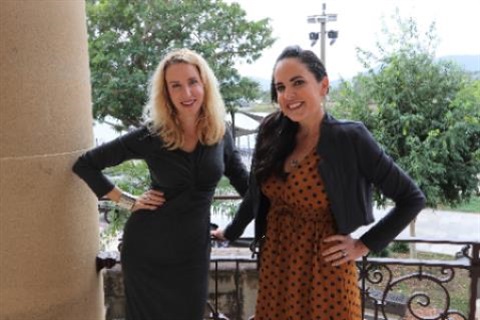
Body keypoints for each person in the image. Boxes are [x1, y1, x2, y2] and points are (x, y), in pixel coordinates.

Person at [212, 45, 426, 319]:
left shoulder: (350, 138)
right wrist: (230, 232)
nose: (288, 95)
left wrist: (363, 245)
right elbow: (257, 194)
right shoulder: (271, 130)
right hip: (276, 262)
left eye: (298, 82)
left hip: (325, 268)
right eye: (280, 87)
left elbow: (411, 198)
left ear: (323, 85)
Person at [73, 48, 249, 320]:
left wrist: (234, 228)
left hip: (192, 254)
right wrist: (129, 201)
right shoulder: (153, 135)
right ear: (166, 92)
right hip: (148, 251)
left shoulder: (219, 132)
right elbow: (86, 164)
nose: (186, 93)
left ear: (205, 84)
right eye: (175, 86)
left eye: (192, 82)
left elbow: (248, 187)